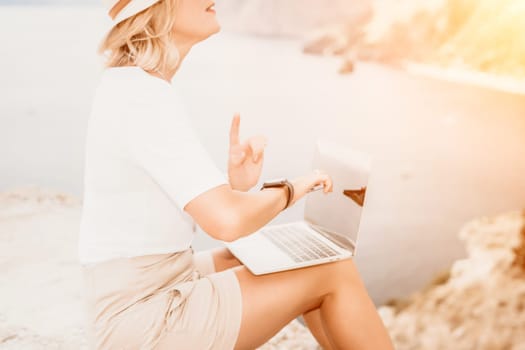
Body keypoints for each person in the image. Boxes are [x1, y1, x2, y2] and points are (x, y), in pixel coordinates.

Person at [78, 0, 395, 349]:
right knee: (332, 270)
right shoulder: (144, 97)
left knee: (244, 257)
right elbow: (227, 221)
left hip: (143, 289)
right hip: (144, 318)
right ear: (160, 10)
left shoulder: (132, 86)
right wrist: (294, 188)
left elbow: (189, 208)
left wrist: (236, 188)